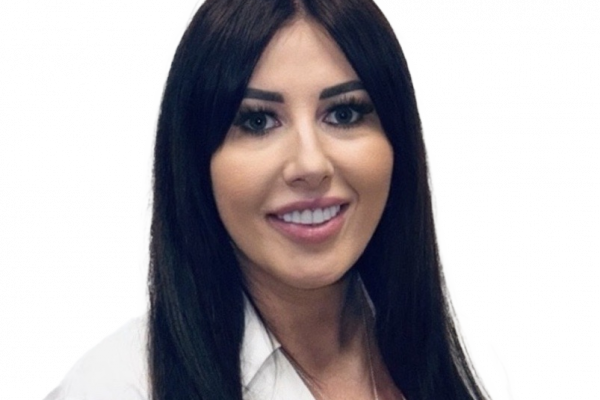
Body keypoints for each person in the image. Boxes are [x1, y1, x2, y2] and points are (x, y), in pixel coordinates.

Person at [43, 0, 512, 399]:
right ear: (194, 161)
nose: (309, 164)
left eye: (344, 113)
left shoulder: (450, 351)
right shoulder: (115, 387)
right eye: (257, 121)